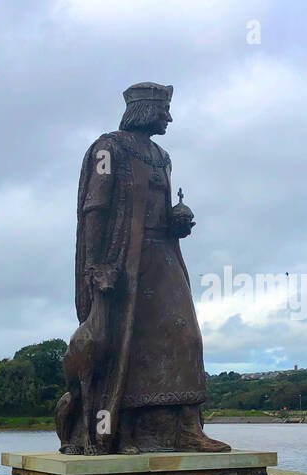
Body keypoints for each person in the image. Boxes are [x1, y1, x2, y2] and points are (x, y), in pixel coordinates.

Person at [56, 82, 229, 454]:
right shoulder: (108, 149)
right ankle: (122, 432)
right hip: (123, 259)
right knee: (128, 342)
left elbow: (161, 209)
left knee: (187, 336)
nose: (169, 117)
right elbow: (95, 208)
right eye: (163, 110)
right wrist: (95, 265)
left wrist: (177, 220)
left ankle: (187, 427)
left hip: (163, 253)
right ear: (145, 111)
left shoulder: (162, 156)